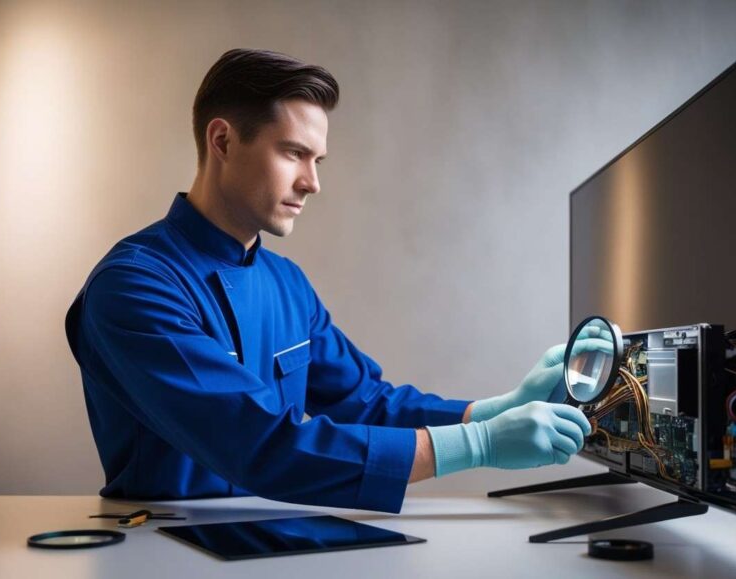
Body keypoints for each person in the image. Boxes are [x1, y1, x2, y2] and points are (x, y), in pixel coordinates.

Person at [64, 49, 600, 513]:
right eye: (294, 153)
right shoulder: (134, 286)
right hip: (157, 554)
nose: (313, 182)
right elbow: (258, 443)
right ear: (223, 140)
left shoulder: (287, 282)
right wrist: (476, 444)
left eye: (317, 159)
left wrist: (492, 409)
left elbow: (364, 401)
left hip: (269, 537)